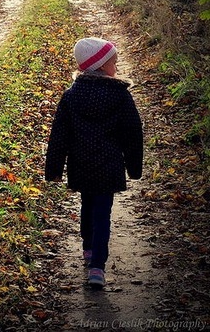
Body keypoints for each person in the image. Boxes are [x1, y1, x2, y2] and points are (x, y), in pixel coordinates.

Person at [45, 37, 143, 288]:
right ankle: (97, 266)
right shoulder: (120, 95)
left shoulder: (71, 95)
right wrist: (134, 167)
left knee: (87, 207)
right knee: (102, 214)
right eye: (114, 62)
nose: (117, 67)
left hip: (81, 163)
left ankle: (88, 249)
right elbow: (133, 133)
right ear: (100, 65)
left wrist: (55, 169)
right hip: (109, 165)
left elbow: (60, 134)